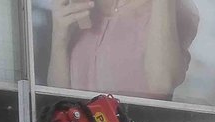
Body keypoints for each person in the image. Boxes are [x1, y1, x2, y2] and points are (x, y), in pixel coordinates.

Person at [46, 0, 200, 100]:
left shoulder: (170, 8)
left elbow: (161, 86)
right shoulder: (76, 9)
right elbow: (57, 102)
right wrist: (59, 38)